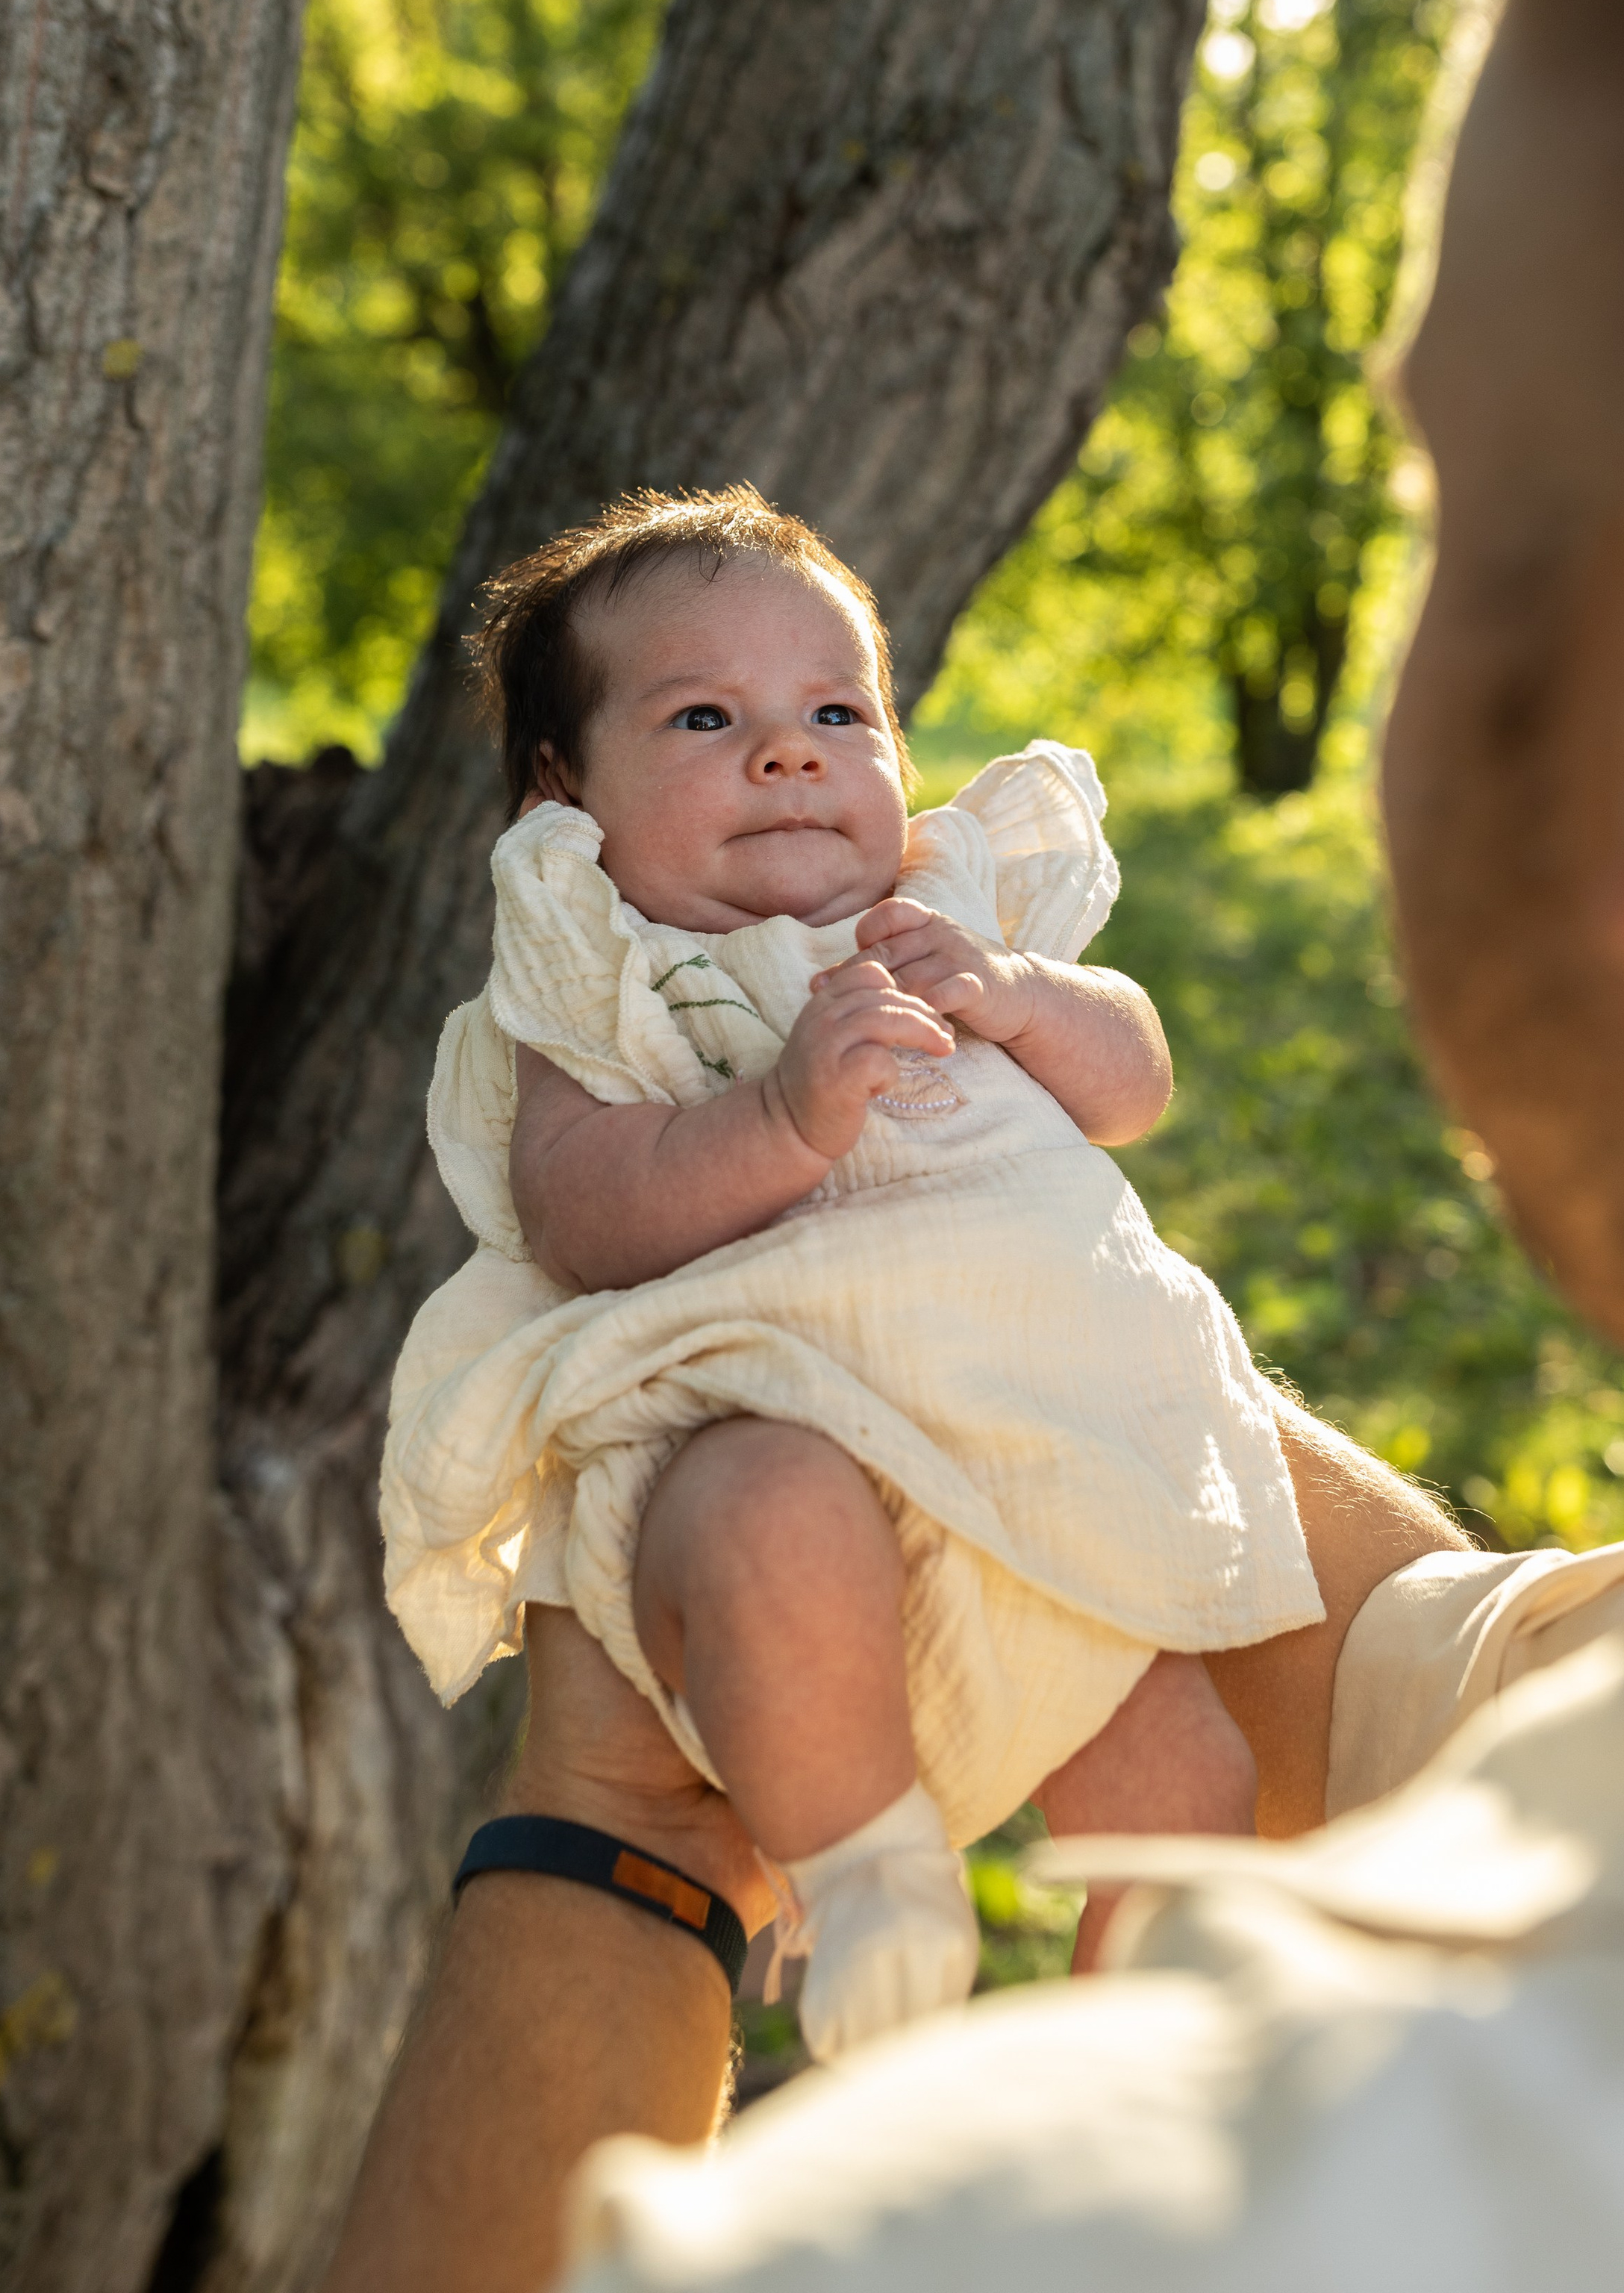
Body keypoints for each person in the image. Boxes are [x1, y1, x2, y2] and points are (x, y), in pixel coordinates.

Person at [329, 0, 1624, 2293]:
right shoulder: (1611, 1682)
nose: (800, 764)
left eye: (1450, 475)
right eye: (712, 724)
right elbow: (1384, 1628)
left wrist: (618, 1830)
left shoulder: (1030, 2240)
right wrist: (1033, 1352)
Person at [381, 487, 1326, 2055]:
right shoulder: (608, 967)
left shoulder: (948, 903)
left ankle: (1138, 2078)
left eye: (837, 711)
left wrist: (1020, 993)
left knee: (1188, 1794)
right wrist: (775, 1118)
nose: (789, 753)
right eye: (705, 716)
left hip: (1047, 1450)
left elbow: (1133, 1082)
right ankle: (872, 1872)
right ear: (563, 787)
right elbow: (579, 1211)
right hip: (771, 1425)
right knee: (769, 1514)